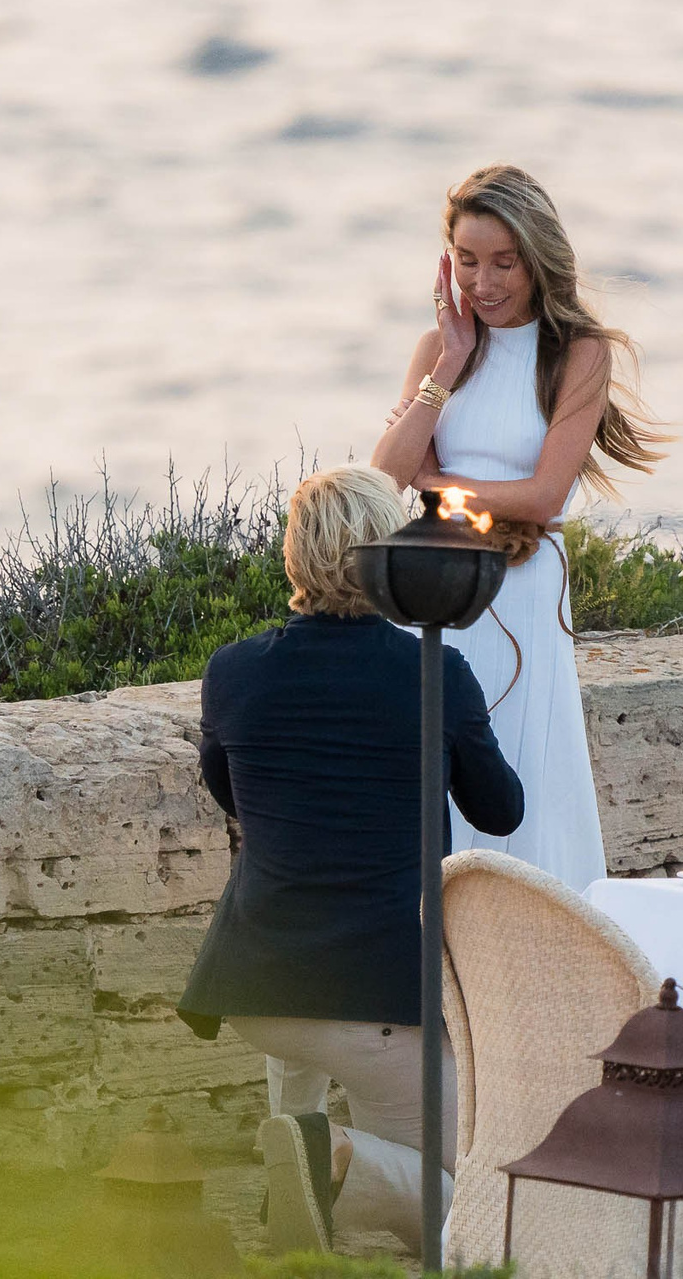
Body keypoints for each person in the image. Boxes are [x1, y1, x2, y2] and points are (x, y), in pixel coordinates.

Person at [176, 464, 524, 1254]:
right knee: (467, 1205)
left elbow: (235, 795)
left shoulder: (232, 672)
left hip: (258, 985)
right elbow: (501, 808)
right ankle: (333, 1158)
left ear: (296, 555)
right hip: (375, 997)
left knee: (302, 1045)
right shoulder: (434, 670)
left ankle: (293, 1198)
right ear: (391, 554)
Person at [371, 164, 664, 893]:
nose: (485, 281)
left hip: (525, 591)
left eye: (504, 262)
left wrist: (441, 485)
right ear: (447, 261)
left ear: (537, 260)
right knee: (438, 777)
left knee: (522, 771)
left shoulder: (579, 354)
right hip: (440, 593)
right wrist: (454, 357)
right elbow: (388, 470)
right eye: (467, 261)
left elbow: (543, 495)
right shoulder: (438, 350)